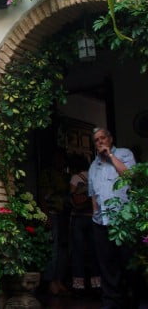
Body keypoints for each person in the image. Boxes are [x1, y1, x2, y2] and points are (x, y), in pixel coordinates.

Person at [88, 127, 136, 309]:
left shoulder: (124, 154)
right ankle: (110, 302)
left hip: (123, 221)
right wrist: (95, 215)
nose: (99, 142)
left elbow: (131, 177)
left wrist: (110, 156)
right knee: (107, 265)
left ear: (110, 139)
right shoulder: (93, 166)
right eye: (96, 140)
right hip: (101, 223)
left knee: (127, 263)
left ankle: (132, 299)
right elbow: (93, 194)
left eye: (102, 138)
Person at [39, 149, 71, 296]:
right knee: (53, 248)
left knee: (64, 249)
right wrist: (46, 215)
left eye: (62, 159)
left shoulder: (66, 176)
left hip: (65, 215)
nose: (60, 162)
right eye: (57, 158)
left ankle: (59, 280)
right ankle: (51, 281)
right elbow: (42, 195)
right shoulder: (47, 174)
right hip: (52, 213)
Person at [69, 154, 100, 297]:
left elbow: (71, 196)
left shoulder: (75, 178)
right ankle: (96, 285)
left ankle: (78, 286)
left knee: (78, 252)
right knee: (94, 251)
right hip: (92, 218)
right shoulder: (93, 176)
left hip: (79, 218)